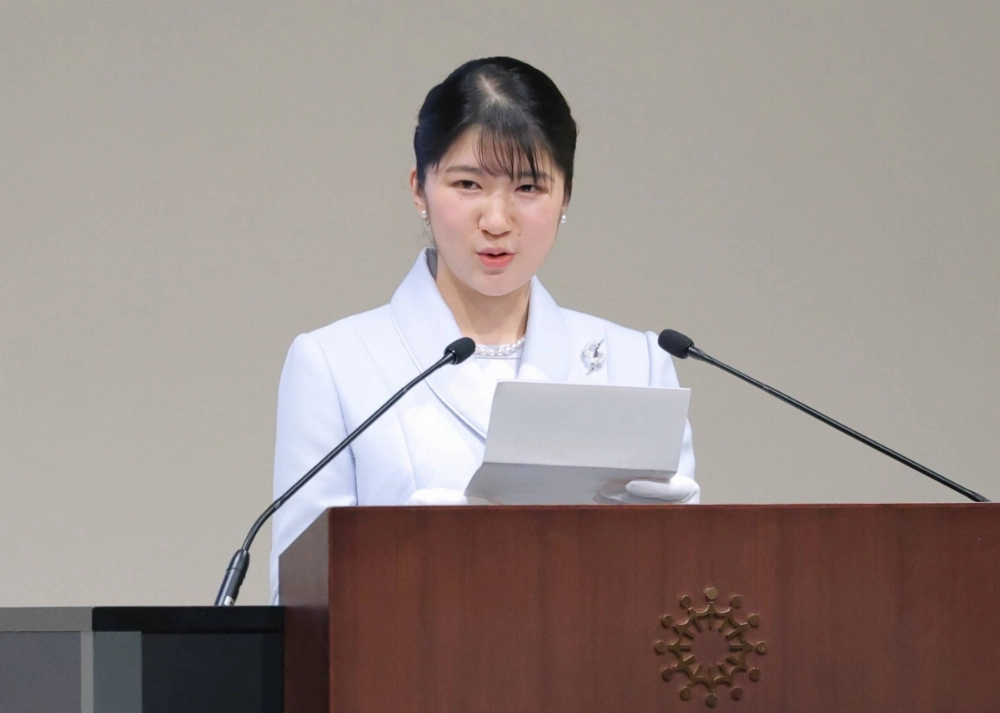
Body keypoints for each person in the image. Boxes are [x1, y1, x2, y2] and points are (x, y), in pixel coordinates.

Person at [269, 57, 698, 603]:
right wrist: (402, 553)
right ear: (419, 189)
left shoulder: (638, 363)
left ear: (566, 196)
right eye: (468, 183)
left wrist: (677, 548)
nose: (497, 220)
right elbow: (301, 600)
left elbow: (681, 592)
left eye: (528, 187)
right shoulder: (333, 363)